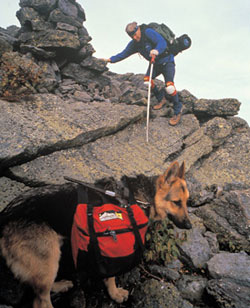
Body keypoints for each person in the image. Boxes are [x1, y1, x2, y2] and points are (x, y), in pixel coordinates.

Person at [104, 22, 183, 126]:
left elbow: (162, 43)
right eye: (133, 37)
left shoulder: (148, 32)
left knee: (170, 87)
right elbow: (124, 53)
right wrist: (110, 60)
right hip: (155, 63)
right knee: (147, 81)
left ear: (138, 29)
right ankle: (161, 99)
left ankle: (178, 110)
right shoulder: (134, 43)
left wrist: (156, 50)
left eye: (136, 34)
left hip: (167, 61)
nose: (135, 37)